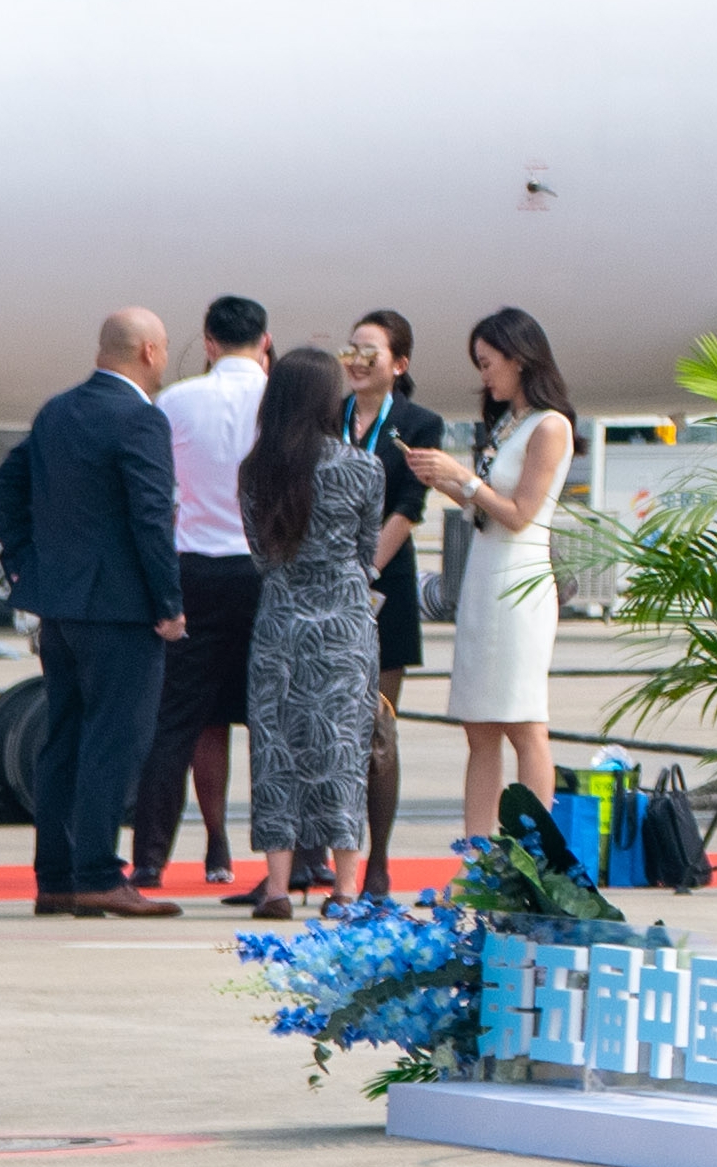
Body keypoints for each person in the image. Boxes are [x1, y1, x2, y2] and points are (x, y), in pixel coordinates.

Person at [0, 309, 186, 920]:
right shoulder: (140, 420)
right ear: (150, 353)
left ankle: (56, 876)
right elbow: (151, 519)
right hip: (122, 609)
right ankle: (99, 873)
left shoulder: (58, 411)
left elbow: (9, 481)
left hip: (62, 606)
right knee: (115, 740)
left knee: (65, 740)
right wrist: (169, 603)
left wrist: (27, 561)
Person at [399, 308, 578, 859]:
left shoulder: (550, 425)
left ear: (519, 360)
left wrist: (464, 480)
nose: (485, 376)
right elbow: (488, 507)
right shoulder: (507, 423)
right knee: (479, 724)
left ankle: (535, 853)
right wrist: (445, 480)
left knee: (523, 719)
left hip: (519, 576)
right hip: (484, 570)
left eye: (488, 363)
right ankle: (477, 855)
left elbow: (521, 512)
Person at [231, 346, 381, 916]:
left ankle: (275, 887)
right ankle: (344, 888)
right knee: (342, 749)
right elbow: (366, 554)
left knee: (274, 748)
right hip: (343, 624)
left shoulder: (256, 470)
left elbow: (260, 556)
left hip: (280, 619)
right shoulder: (363, 466)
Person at [136, 294, 272, 893]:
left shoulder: (176, 400)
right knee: (273, 718)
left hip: (193, 568)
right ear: (264, 342)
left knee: (183, 722)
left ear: (209, 343)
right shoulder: (281, 401)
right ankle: (290, 855)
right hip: (263, 570)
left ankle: (160, 854)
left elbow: (158, 490)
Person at [333, 310, 439, 875]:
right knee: (325, 727)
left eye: (369, 351)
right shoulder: (330, 416)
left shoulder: (419, 424)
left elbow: (409, 508)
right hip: (326, 583)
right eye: (351, 348)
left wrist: (364, 567)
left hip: (381, 584)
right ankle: (318, 857)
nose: (356, 360)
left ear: (398, 364)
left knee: (377, 724)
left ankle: (377, 861)